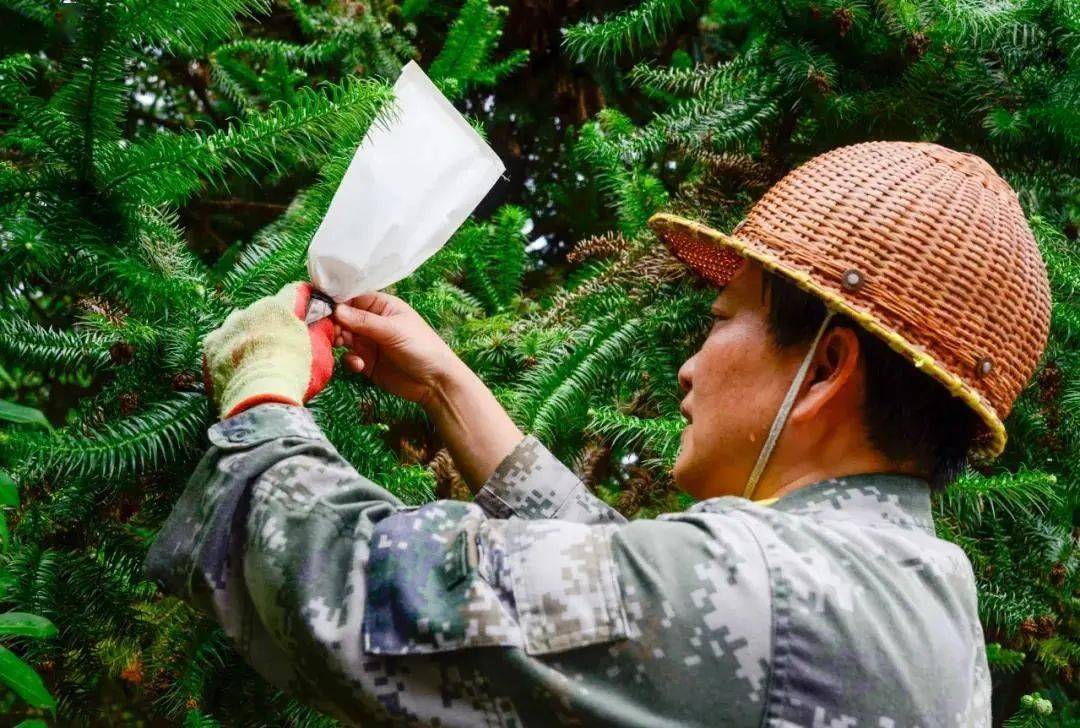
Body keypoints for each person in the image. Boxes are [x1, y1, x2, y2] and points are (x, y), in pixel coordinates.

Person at [146, 141, 1051, 726]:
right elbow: (648, 610)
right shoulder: (918, 600)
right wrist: (447, 387)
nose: (689, 367)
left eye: (722, 318)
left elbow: (359, 591)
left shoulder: (769, 590)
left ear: (823, 369)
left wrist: (261, 398)